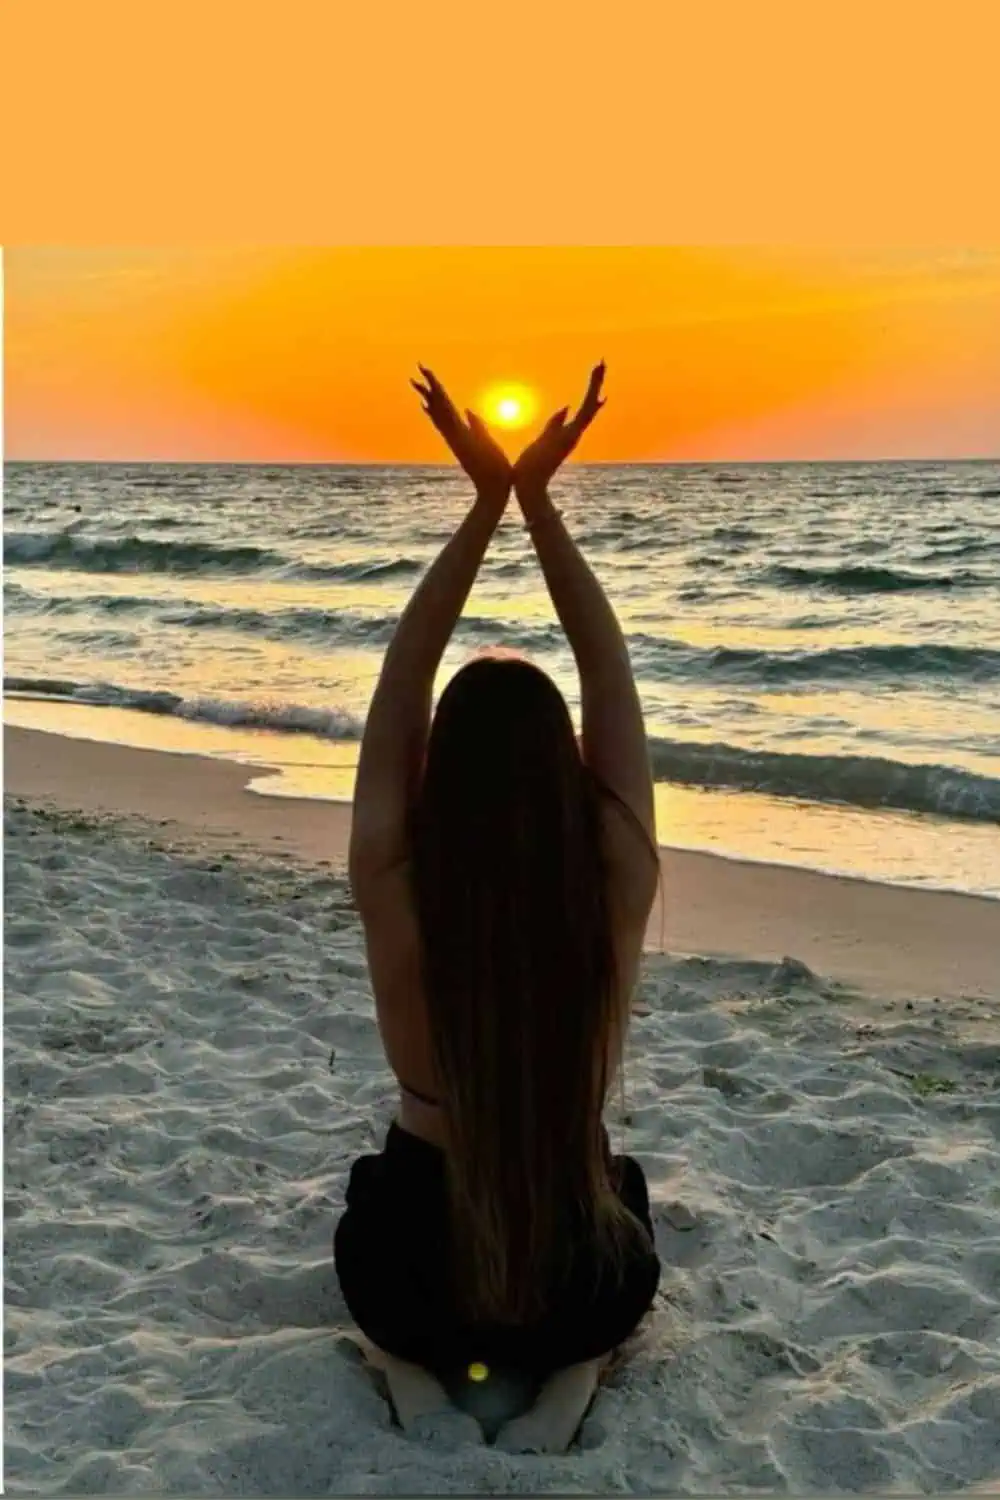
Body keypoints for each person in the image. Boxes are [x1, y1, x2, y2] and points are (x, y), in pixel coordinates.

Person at [335, 363, 662, 1453]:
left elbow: (400, 679)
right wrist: (538, 502)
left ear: (443, 772)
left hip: (414, 1277)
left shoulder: (395, 874)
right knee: (625, 1192)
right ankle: (573, 1372)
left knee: (371, 1201)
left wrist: (483, 505)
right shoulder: (611, 870)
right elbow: (608, 667)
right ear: (562, 770)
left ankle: (407, 1371)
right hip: (575, 1274)